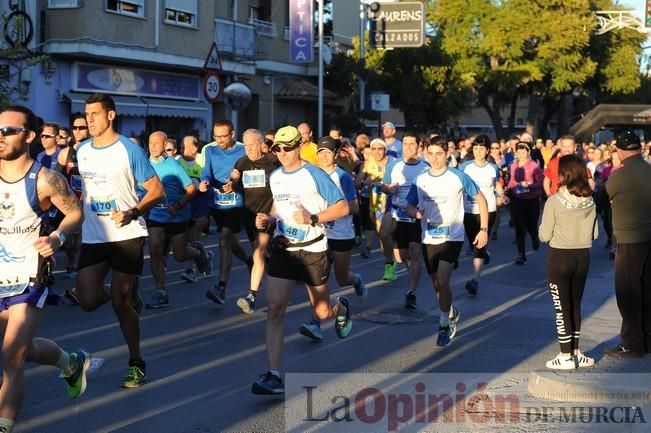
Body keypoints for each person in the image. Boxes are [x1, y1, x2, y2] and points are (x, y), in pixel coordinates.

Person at [0, 105, 91, 433]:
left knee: (12, 357)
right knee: (22, 348)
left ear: (29, 136)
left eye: (9, 130)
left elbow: (75, 213)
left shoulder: (45, 179)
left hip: (28, 277)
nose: (1, 136)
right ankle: (71, 363)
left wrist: (57, 236)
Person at [251, 126, 352, 395]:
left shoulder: (314, 174)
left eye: (287, 149)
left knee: (321, 312)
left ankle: (339, 307)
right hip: (285, 247)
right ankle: (273, 375)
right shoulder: (275, 177)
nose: (282, 154)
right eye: (277, 149)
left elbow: (343, 207)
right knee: (274, 309)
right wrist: (270, 218)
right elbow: (279, 206)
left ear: (298, 147)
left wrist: (313, 218)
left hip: (313, 249)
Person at [75, 93, 164, 388]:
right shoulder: (82, 150)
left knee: (120, 303)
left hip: (127, 234)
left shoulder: (129, 150)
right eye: (87, 114)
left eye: (95, 114)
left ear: (110, 115)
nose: (89, 119)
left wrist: (133, 211)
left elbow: (155, 190)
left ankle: (136, 361)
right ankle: (124, 292)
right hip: (94, 235)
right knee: (86, 300)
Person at [406, 136, 489, 346]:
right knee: (436, 283)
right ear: (426, 154)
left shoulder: (458, 176)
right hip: (429, 237)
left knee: (442, 281)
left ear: (447, 154)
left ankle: (444, 324)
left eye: (439, 154)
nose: (435, 158)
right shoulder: (421, 179)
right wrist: (414, 212)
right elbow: (408, 205)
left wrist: (484, 229)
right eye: (431, 154)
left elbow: (481, 199)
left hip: (453, 236)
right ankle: (451, 311)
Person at [299, 137, 367, 340]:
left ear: (335, 155)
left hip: (341, 234)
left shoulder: (342, 177)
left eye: (328, 152)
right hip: (319, 235)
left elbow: (354, 207)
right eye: (320, 152)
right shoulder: (311, 176)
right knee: (318, 280)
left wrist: (332, 211)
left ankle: (356, 281)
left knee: (341, 277)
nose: (323, 156)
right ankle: (315, 322)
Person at [539, 154, 598, 369]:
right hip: (582, 256)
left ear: (564, 174)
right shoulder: (590, 199)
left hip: (560, 257)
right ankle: (576, 351)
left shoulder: (554, 200)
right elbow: (596, 233)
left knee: (561, 307)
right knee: (575, 305)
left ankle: (564, 356)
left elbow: (544, 235)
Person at [144, 131, 211, 309]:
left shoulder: (174, 165)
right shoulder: (144, 165)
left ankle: (198, 253)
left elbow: (191, 190)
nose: (153, 147)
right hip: (155, 216)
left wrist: (178, 206)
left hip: (177, 216)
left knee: (180, 255)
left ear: (165, 144)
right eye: (150, 143)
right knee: (156, 252)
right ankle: (161, 292)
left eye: (157, 144)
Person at [604, 130, 651, 357]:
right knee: (647, 290)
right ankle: (647, 339)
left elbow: (605, 197)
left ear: (621, 151)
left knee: (628, 293)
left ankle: (632, 343)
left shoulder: (619, 176)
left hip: (630, 240)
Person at [200, 120, 251, 304]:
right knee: (231, 242)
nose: (220, 140)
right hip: (217, 203)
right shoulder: (210, 150)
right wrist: (204, 181)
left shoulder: (243, 150)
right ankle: (250, 261)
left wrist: (236, 185)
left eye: (223, 136)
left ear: (232, 134)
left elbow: (250, 174)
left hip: (236, 204)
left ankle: (221, 287)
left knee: (224, 240)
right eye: (217, 136)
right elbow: (206, 171)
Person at [231, 129, 280, 314]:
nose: (249, 149)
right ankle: (276, 276)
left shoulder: (273, 161)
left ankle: (251, 297)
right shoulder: (242, 162)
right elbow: (234, 180)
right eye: (246, 146)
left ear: (261, 144)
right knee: (259, 253)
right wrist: (230, 185)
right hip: (249, 214)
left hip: (268, 214)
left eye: (252, 145)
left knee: (259, 252)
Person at [383, 132, 429, 305]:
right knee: (401, 257)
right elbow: (383, 185)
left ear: (418, 146)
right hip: (398, 214)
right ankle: (409, 267)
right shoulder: (394, 165)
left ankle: (411, 292)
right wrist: (389, 188)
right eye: (406, 143)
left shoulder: (426, 166)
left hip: (417, 215)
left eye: (412, 144)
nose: (408, 147)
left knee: (416, 253)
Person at [459, 135, 505, 296]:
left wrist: (502, 195)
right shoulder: (464, 167)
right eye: (476, 148)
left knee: (479, 245)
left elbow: (497, 184)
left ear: (487, 151)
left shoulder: (493, 168)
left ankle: (475, 280)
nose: (478, 152)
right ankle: (484, 253)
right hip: (468, 210)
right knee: (473, 244)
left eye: (482, 149)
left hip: (488, 210)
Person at [54, 114, 89, 282]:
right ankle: (72, 262)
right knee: (69, 239)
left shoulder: (95, 151)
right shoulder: (66, 153)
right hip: (72, 200)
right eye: (75, 127)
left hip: (91, 200)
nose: (77, 131)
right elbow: (56, 178)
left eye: (82, 127)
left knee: (83, 236)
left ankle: (78, 266)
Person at [178, 135, 212, 283]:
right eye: (181, 146)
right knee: (186, 239)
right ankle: (205, 255)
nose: (181, 149)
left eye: (184, 146)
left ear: (194, 148)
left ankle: (191, 269)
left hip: (200, 205)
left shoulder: (202, 162)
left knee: (194, 236)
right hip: (185, 205)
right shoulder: (177, 162)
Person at [506, 142, 544, 265]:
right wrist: (507, 190)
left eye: (524, 151)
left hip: (531, 199)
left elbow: (540, 183)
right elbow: (512, 181)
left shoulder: (534, 166)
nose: (521, 154)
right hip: (517, 199)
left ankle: (534, 236)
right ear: (516, 152)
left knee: (531, 225)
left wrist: (528, 185)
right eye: (519, 151)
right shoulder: (513, 166)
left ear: (528, 152)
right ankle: (521, 254)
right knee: (519, 227)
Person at [356, 138, 393, 263]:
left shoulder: (392, 163)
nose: (377, 152)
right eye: (374, 149)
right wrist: (364, 182)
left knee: (385, 234)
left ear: (385, 150)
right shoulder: (367, 164)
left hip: (391, 205)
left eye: (380, 149)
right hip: (375, 206)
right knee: (382, 237)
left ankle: (391, 264)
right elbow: (356, 184)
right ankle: (390, 261)